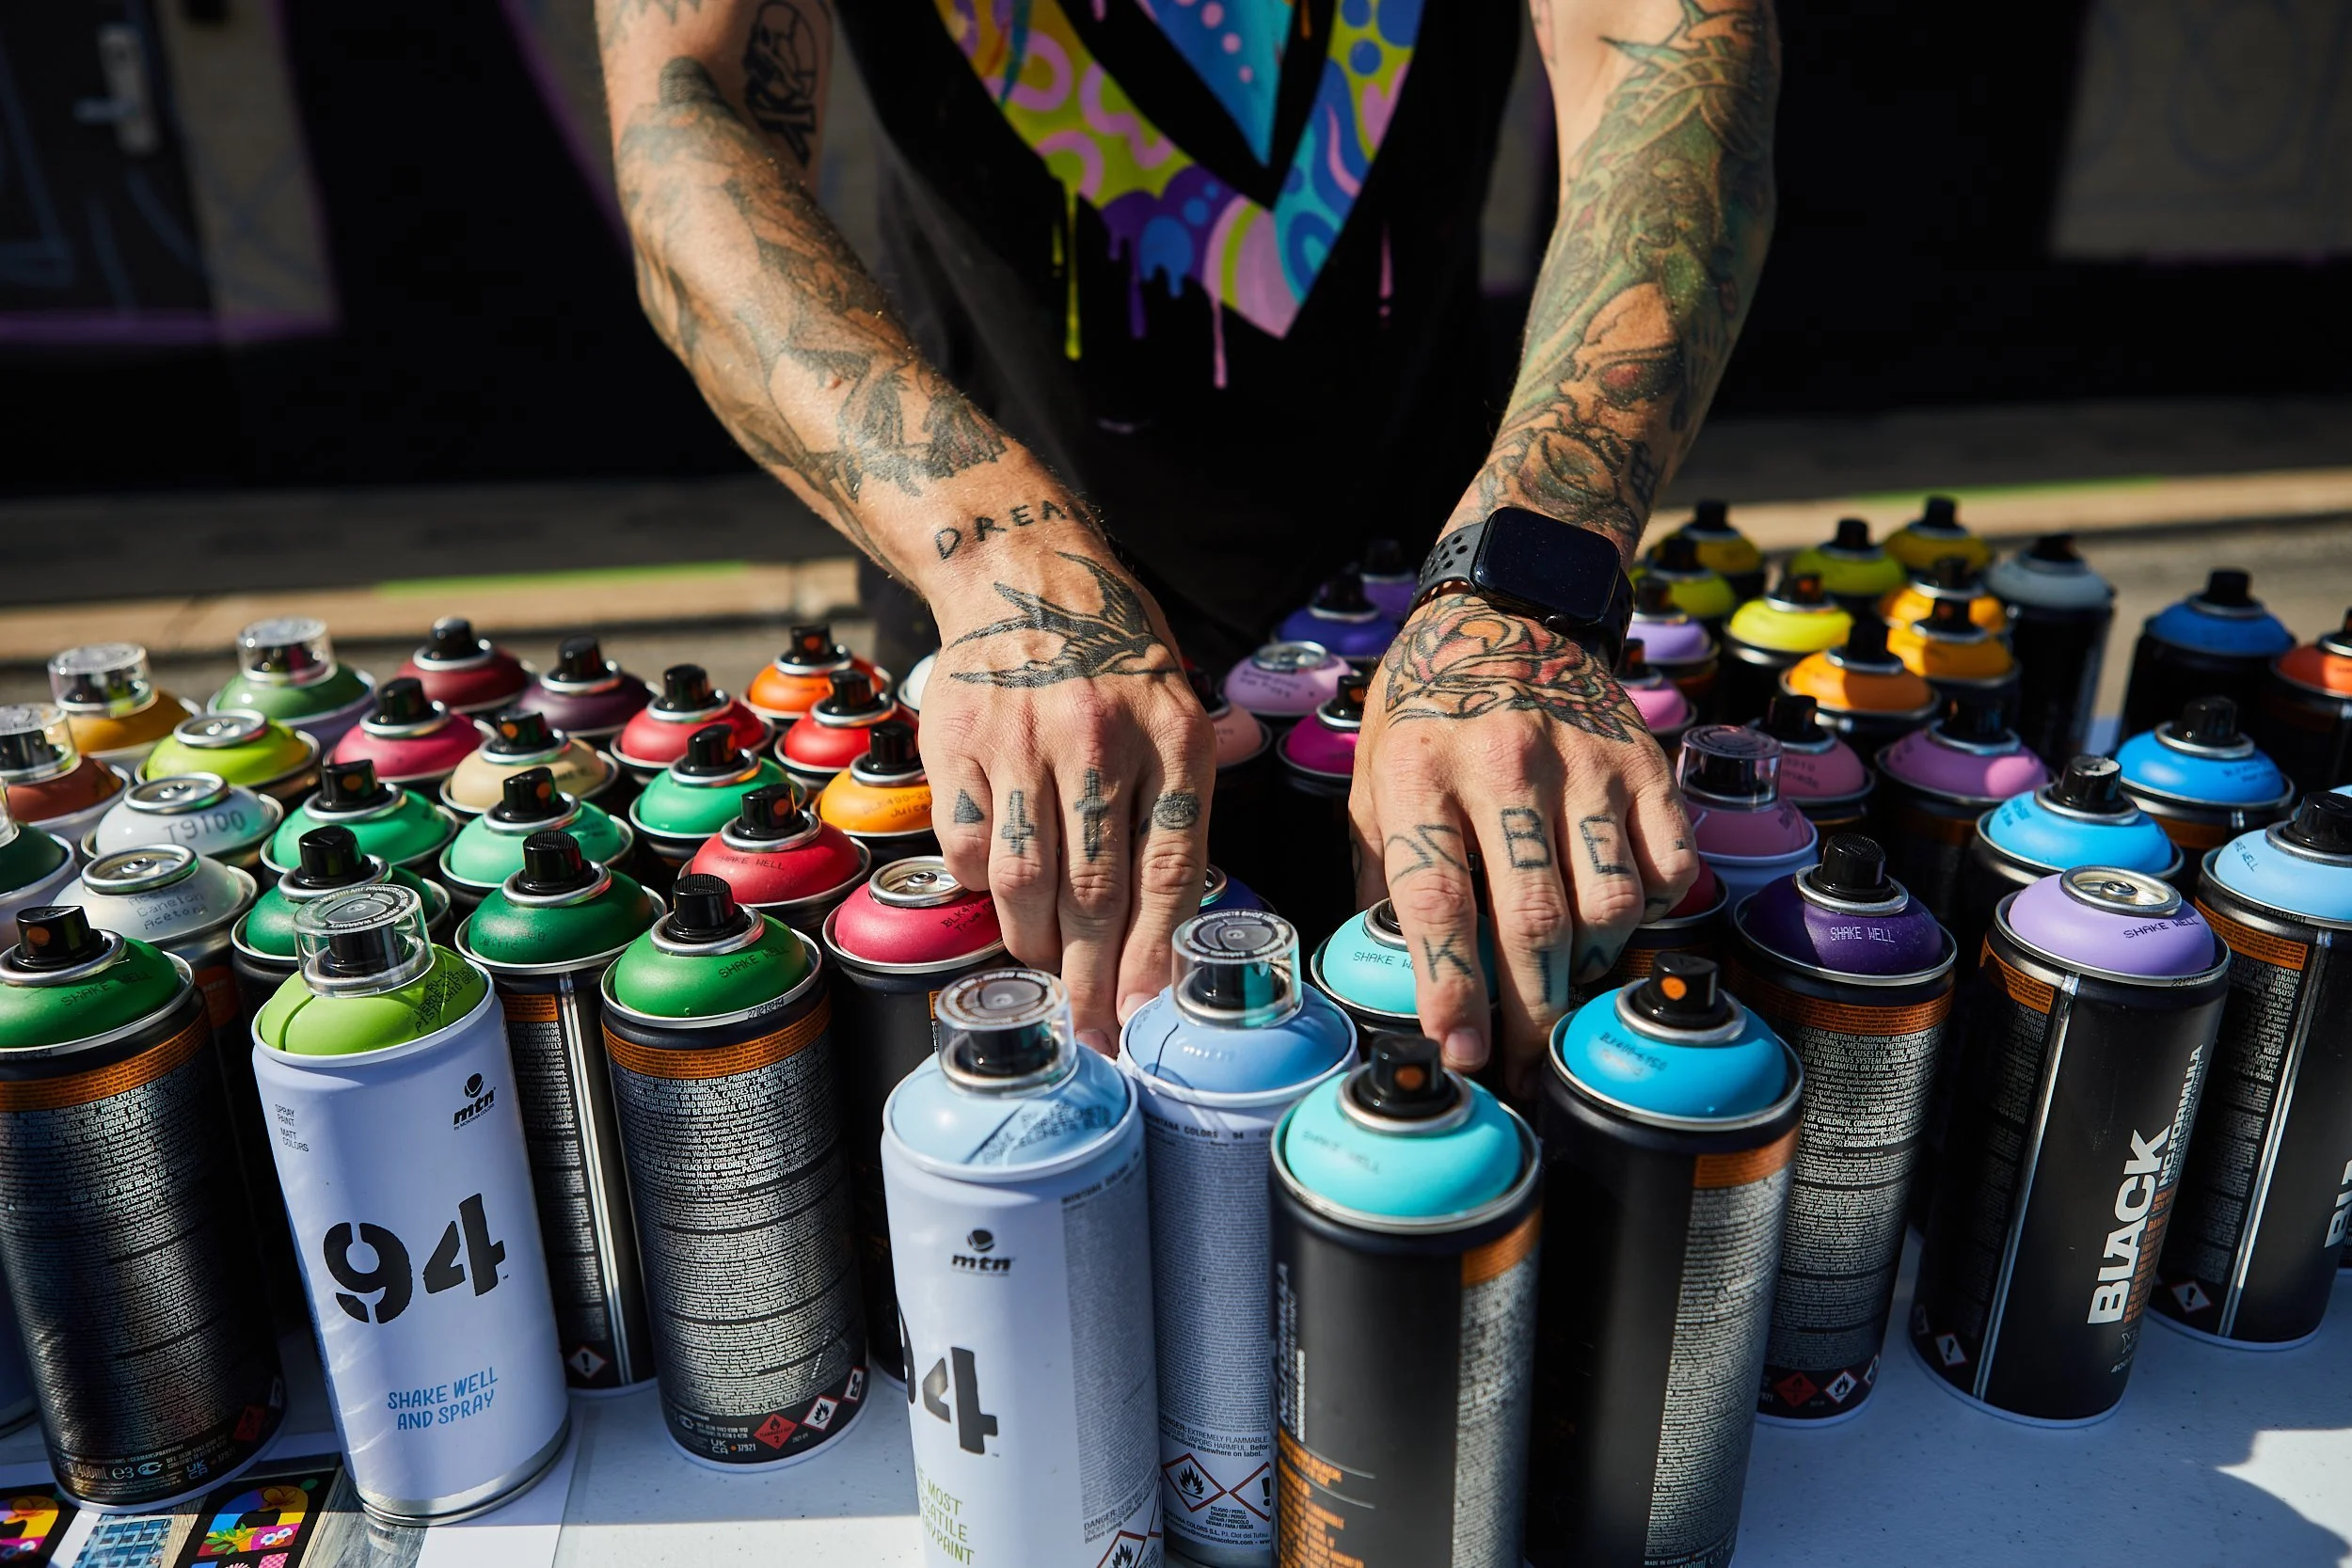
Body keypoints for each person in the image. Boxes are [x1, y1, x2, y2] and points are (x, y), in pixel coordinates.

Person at [596, 0, 1776, 1092]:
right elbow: (685, 111)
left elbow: (1667, 51)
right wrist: (996, 552)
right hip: (998, 649)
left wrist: (1525, 579)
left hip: (1442, 638)